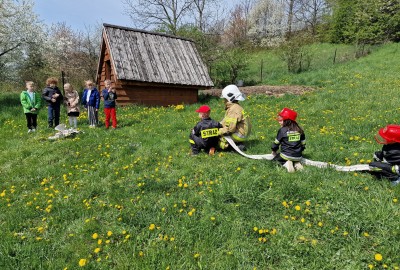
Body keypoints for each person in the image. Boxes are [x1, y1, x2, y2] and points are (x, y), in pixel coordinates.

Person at [271, 108, 306, 173]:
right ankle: (297, 164)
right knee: (294, 158)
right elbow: (303, 143)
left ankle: (287, 164)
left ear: (287, 121)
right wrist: (300, 151)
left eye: (281, 120)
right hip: (298, 156)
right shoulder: (300, 129)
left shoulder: (282, 130)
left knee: (274, 161)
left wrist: (274, 151)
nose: (279, 122)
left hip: (285, 155)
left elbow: (276, 143)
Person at [218, 85, 251, 151]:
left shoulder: (233, 109)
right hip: (242, 133)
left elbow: (230, 129)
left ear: (229, 98)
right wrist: (217, 124)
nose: (224, 101)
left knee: (217, 139)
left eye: (225, 99)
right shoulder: (236, 107)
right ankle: (237, 144)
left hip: (238, 135)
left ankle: (232, 148)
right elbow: (226, 121)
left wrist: (218, 131)